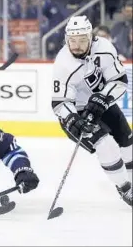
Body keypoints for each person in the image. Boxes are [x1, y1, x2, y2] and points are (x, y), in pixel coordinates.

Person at [51, 16, 132, 207]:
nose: (76, 46)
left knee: (128, 142)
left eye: (81, 40)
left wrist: (103, 97)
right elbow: (59, 102)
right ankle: (125, 188)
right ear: (66, 39)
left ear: (90, 37)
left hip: (102, 102)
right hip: (75, 111)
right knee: (106, 144)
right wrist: (73, 119)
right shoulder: (63, 63)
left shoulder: (104, 48)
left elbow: (120, 82)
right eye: (72, 40)